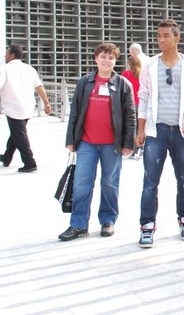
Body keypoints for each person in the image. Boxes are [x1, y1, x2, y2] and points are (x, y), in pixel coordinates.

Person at [136, 19, 184, 248]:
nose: (161, 40)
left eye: (166, 35)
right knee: (150, 182)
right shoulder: (150, 65)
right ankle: (147, 226)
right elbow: (143, 96)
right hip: (156, 130)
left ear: (177, 38)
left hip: (181, 131)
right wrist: (141, 129)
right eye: (158, 36)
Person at [58, 43, 136, 241]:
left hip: (112, 145)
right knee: (82, 184)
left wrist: (128, 143)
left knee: (110, 183)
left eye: (111, 57)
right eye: (103, 56)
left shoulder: (123, 85)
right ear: (96, 59)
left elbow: (130, 116)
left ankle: (108, 221)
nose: (106, 61)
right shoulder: (85, 82)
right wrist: (70, 139)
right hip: (86, 143)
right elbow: (75, 112)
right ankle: (78, 224)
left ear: (115, 61)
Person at [0, 44, 52, 172]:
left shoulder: (5, 70)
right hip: (28, 107)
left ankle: (30, 163)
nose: (5, 56)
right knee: (17, 133)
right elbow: (39, 87)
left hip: (14, 108)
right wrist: (46, 103)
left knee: (20, 135)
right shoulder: (29, 69)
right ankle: (7, 157)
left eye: (6, 53)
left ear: (12, 55)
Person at [122, 55, 142, 159]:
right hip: (141, 104)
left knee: (130, 127)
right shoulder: (142, 74)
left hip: (130, 104)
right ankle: (139, 148)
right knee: (140, 128)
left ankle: (131, 148)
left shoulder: (126, 74)